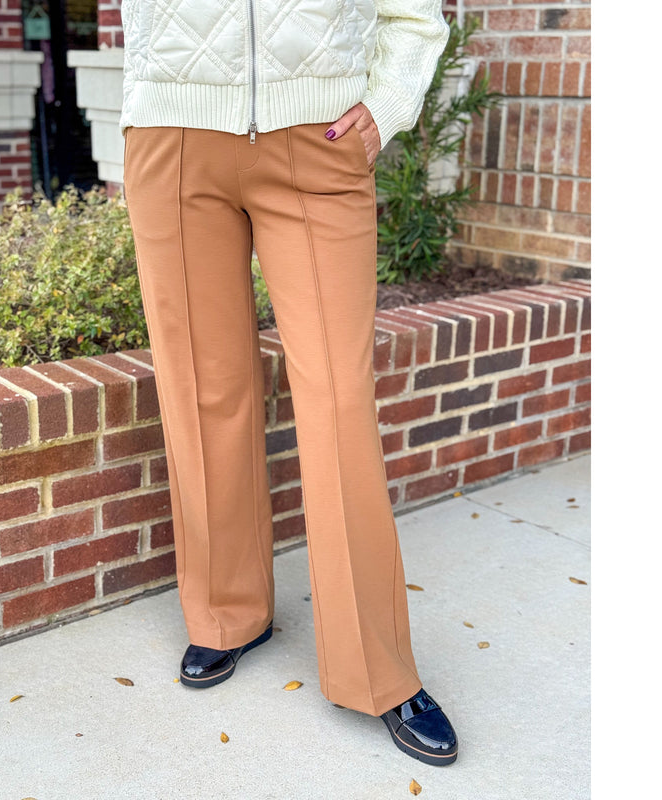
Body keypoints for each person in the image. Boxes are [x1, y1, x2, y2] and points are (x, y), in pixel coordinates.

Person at [120, 0, 456, 766]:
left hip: (319, 136)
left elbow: (412, 13)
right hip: (174, 132)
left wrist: (389, 103)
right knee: (203, 389)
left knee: (338, 399)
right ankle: (224, 613)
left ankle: (378, 669)